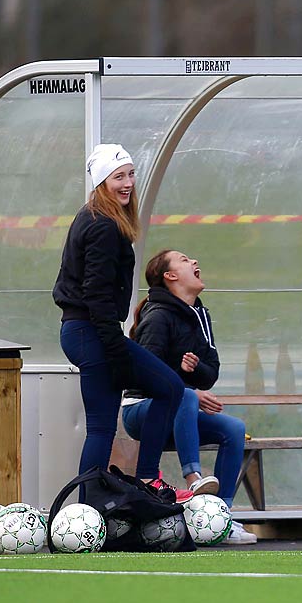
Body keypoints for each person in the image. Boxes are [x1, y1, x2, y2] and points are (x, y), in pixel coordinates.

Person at [52, 144, 190, 501]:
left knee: (104, 424)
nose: (127, 183)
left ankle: (90, 506)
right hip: (91, 332)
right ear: (101, 181)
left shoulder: (96, 218)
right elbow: (96, 294)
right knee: (167, 389)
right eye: (118, 177)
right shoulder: (102, 226)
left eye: (130, 174)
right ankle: (136, 483)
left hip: (84, 331)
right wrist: (115, 350)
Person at [124, 249, 255, 544]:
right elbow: (143, 374)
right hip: (140, 411)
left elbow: (210, 373)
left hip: (177, 410)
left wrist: (193, 373)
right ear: (170, 277)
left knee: (233, 428)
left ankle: (220, 516)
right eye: (184, 260)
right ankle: (193, 479)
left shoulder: (199, 315)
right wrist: (187, 386)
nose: (194, 261)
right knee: (185, 397)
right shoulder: (157, 317)